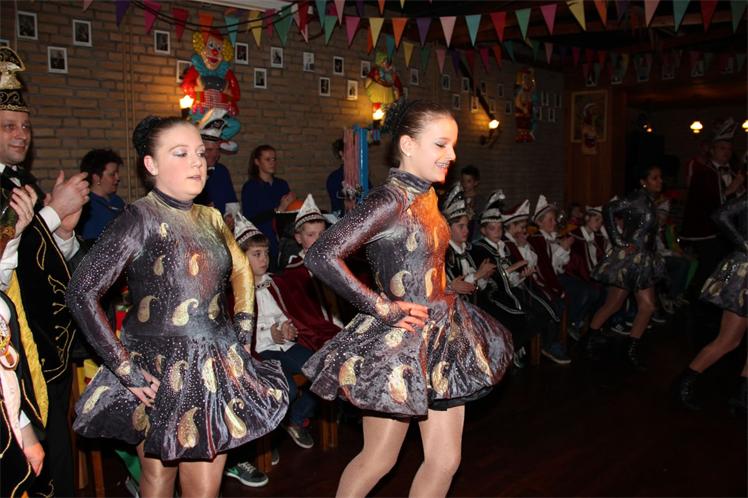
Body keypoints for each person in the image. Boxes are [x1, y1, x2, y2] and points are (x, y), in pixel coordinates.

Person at [66, 116, 288, 498]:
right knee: (157, 480)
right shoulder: (138, 218)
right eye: (181, 153)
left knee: (204, 489)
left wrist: (242, 331)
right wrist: (125, 368)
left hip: (213, 364)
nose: (197, 162)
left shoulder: (212, 217)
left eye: (200, 153)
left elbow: (242, 271)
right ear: (151, 164)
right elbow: (81, 291)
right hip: (156, 367)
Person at [302, 100, 513, 498]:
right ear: (408, 145)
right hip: (399, 345)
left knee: (445, 461)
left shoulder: (428, 196)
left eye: (453, 145)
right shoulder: (389, 200)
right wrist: (381, 307)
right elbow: (321, 254)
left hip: (443, 336)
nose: (452, 155)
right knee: (378, 459)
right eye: (441, 144)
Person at [0, 46, 88, 497]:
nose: (22, 135)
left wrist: (64, 230)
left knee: (56, 447)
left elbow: (40, 257)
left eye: (26, 126)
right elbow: (7, 247)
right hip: (11, 347)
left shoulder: (24, 182)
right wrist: (53, 213)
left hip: (42, 338)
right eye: (9, 126)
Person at [236, 215, 317, 448]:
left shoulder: (275, 283)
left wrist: (287, 327)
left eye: (266, 253)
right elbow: (240, 332)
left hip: (284, 346)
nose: (264, 259)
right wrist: (268, 334)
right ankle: (262, 439)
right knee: (286, 389)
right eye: (257, 254)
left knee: (321, 371)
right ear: (241, 258)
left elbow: (288, 313)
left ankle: (295, 419)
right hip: (260, 351)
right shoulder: (236, 292)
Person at [674, 185, 747, 413]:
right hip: (744, 273)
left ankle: (742, 396)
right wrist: (744, 244)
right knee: (728, 341)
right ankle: (682, 385)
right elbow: (720, 214)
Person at [585, 165, 666, 370]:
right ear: (643, 182)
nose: (660, 181)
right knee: (616, 303)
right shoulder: (638, 198)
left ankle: (629, 349)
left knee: (643, 306)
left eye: (660, 178)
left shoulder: (649, 200)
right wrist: (618, 240)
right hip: (630, 259)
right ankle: (591, 341)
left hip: (643, 259)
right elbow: (608, 208)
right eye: (655, 178)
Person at [470, 191, 535, 368]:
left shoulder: (503, 247)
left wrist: (521, 275)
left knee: (533, 314)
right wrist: (512, 268)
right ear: (483, 230)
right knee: (519, 317)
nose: (498, 232)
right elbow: (491, 278)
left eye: (500, 228)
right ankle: (509, 352)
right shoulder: (479, 249)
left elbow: (510, 280)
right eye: (492, 228)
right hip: (491, 295)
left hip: (506, 291)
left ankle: (515, 348)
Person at [680, 118, 741, 298]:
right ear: (712, 150)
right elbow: (710, 203)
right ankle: (693, 298)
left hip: (729, 232)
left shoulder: (732, 172)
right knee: (709, 267)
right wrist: (733, 188)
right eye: (722, 148)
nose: (726, 152)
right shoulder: (703, 173)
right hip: (706, 231)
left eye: (729, 149)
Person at [527, 195, 573, 364]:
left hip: (554, 277)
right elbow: (546, 267)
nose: (554, 223)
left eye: (554, 219)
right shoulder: (537, 240)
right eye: (550, 220)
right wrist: (562, 249)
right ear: (540, 223)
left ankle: (570, 326)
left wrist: (563, 248)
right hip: (541, 280)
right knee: (557, 302)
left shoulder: (552, 238)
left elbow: (561, 265)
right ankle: (550, 343)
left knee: (584, 290)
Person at [241, 145, 295, 267]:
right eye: (267, 159)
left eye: (274, 159)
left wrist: (293, 204)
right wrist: (278, 210)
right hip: (263, 244)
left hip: (284, 242)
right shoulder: (251, 187)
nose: (272, 163)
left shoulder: (281, 184)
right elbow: (250, 219)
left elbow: (289, 215)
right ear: (257, 162)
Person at [563, 205, 608, 339]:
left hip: (591, 275)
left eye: (601, 221)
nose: (599, 224)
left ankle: (595, 325)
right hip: (576, 275)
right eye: (596, 220)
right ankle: (574, 321)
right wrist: (591, 277)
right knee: (591, 292)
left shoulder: (598, 237)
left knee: (607, 292)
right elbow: (572, 264)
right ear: (587, 218)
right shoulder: (574, 236)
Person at [194, 109, 240, 216]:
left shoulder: (221, 171)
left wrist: (229, 216)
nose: (215, 155)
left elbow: (231, 202)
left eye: (217, 150)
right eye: (209, 150)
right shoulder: (189, 172)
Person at [77, 148, 126, 242]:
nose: (117, 178)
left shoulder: (117, 201)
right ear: (96, 178)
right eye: (112, 174)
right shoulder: (87, 206)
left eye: (117, 173)